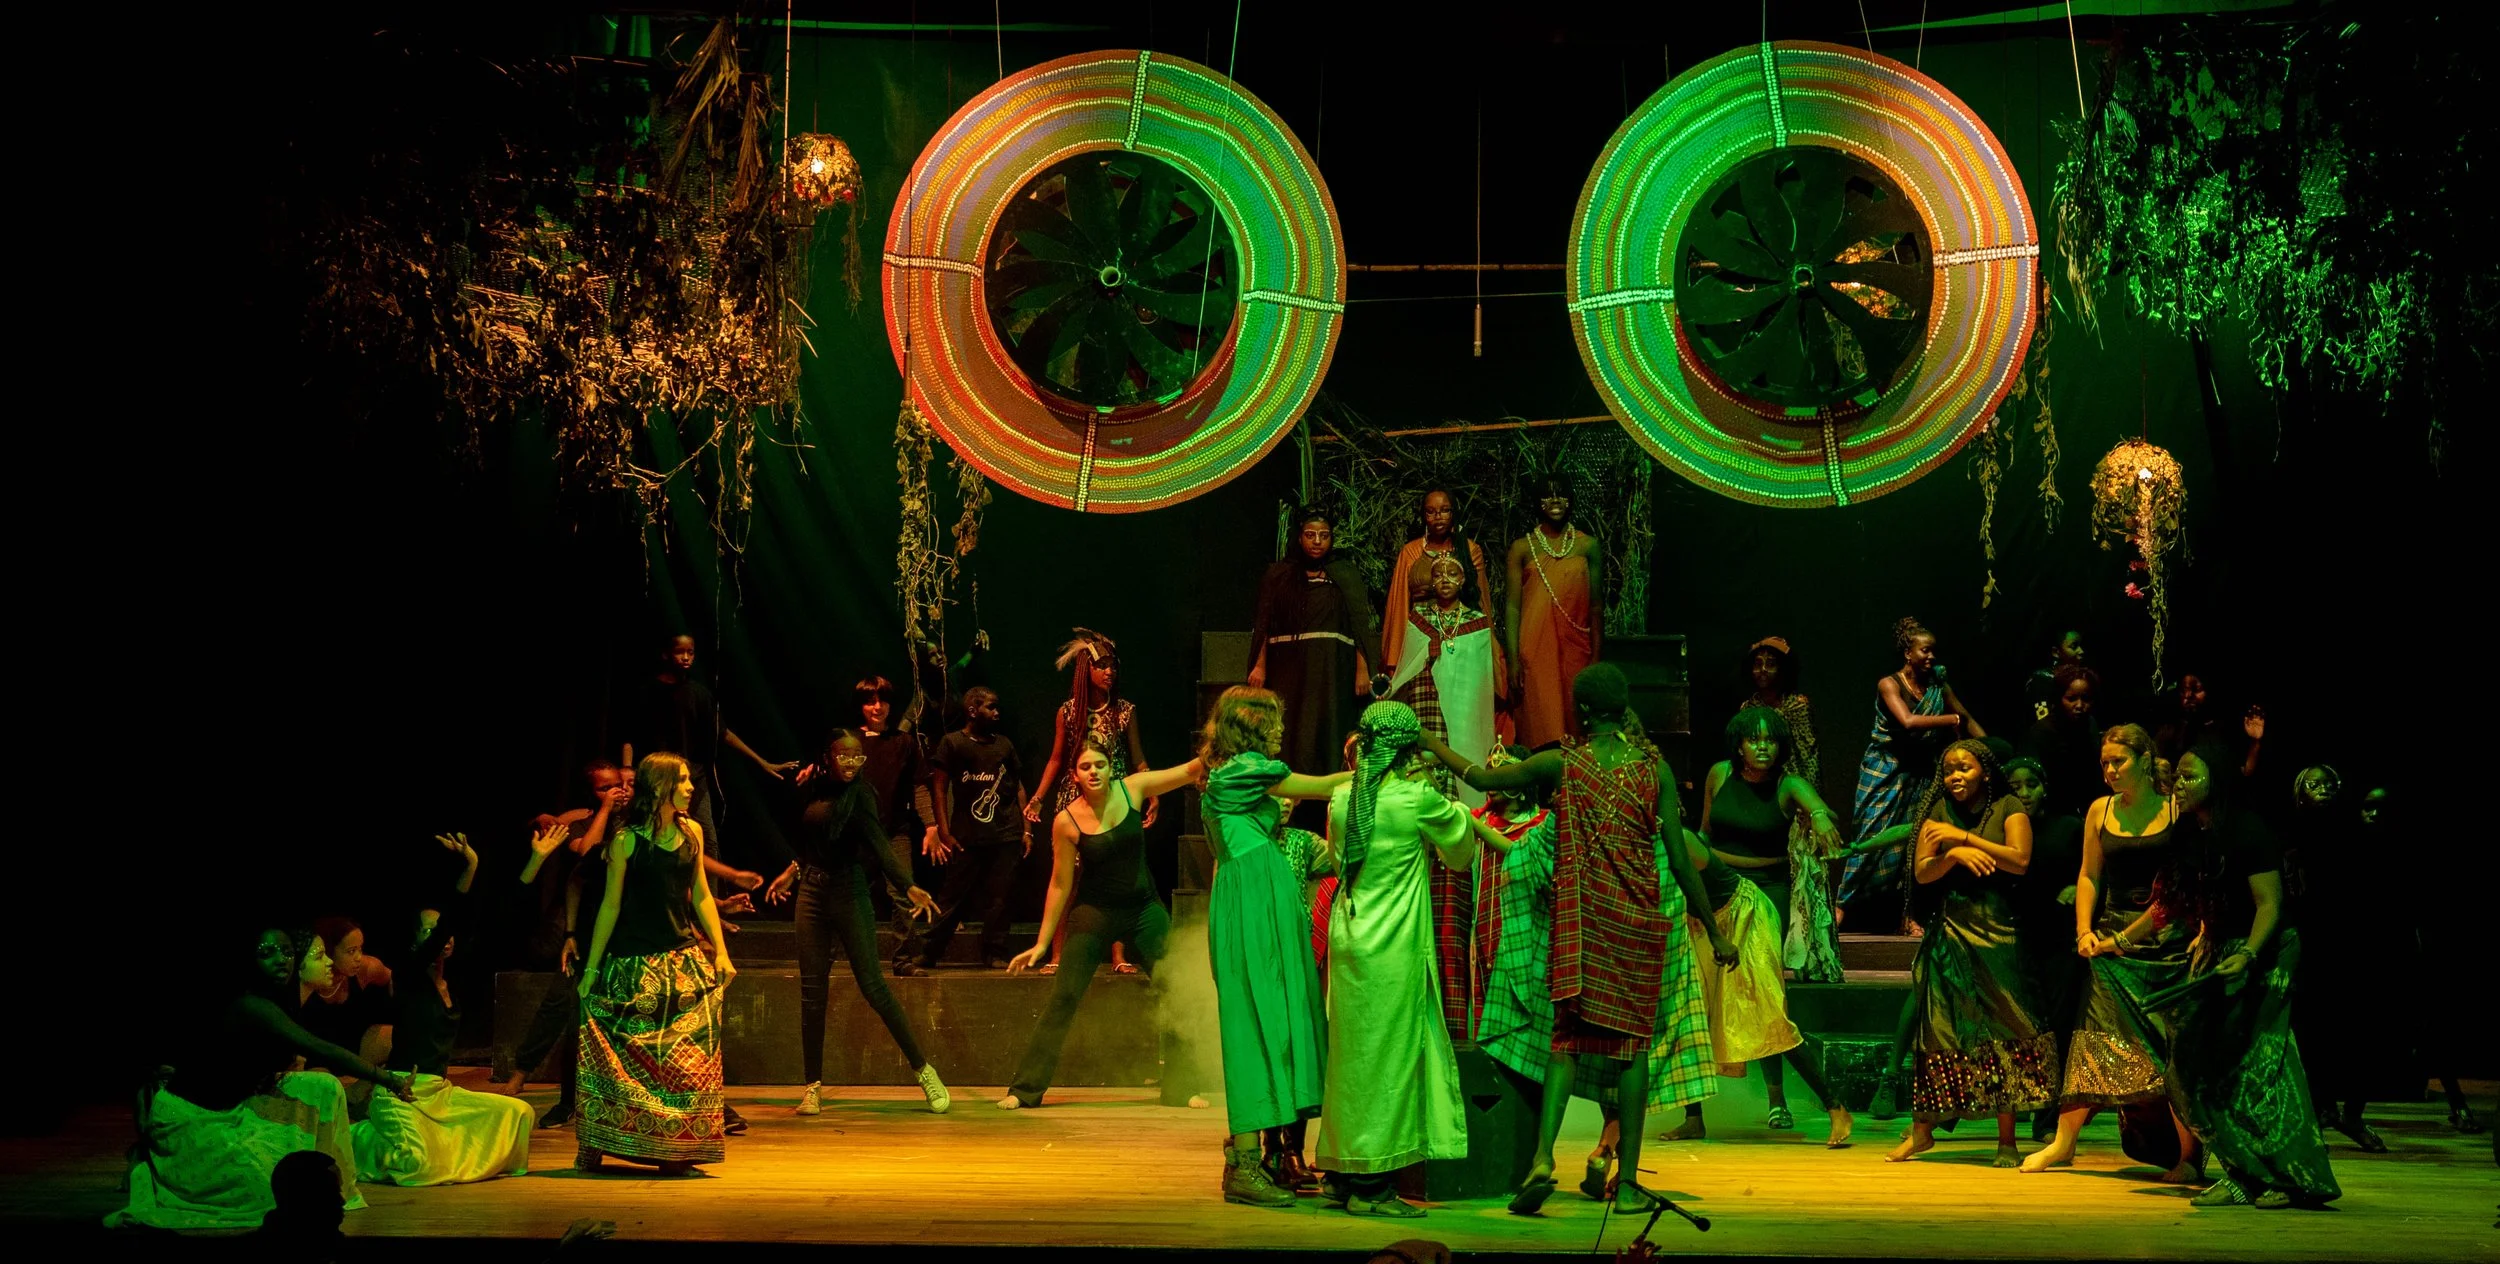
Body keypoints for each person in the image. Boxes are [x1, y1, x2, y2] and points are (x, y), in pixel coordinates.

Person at [1420, 663, 1732, 1218]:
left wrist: (1424, 738)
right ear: (1626, 705)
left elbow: (1482, 778)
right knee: (1631, 1050)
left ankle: (1542, 1159)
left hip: (1581, 922)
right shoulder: (1653, 771)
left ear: (1583, 712)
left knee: (1564, 1042)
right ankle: (1630, 1182)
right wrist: (1714, 931)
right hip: (1636, 925)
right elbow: (1682, 861)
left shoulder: (1563, 764)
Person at [109, 926, 412, 1230]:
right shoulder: (251, 1005)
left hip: (237, 1107)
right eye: (267, 953)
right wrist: (388, 1079)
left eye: (287, 952)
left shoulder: (283, 1002)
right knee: (265, 1193)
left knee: (323, 1086)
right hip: (195, 1118)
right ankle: (154, 1164)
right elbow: (319, 1048)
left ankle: (335, 1185)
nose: (281, 959)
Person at [1309, 701, 1481, 1218]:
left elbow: (1340, 860)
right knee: (1389, 1062)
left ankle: (1341, 1173)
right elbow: (1461, 851)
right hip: (1393, 945)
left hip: (1351, 935)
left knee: (1351, 1059)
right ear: (1407, 751)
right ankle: (1374, 1186)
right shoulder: (1415, 799)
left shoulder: (1342, 798)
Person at [2155, 740, 2340, 1210]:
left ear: (2216, 781)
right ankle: (2243, 1172)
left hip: (2266, 951)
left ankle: (2292, 1177)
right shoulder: (2192, 831)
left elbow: (2270, 905)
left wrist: (2251, 955)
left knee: (2259, 1067)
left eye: (2190, 776)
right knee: (2192, 1059)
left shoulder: (2248, 828)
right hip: (2223, 948)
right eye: (2177, 774)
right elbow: (2181, 901)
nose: (2179, 783)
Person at [1198, 686, 1353, 1208]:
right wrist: (1371, 772)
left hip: (1260, 900)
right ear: (1253, 728)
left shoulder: (1230, 774)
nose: (1281, 733)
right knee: (1252, 1025)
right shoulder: (1244, 770)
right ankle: (1245, 1165)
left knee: (1272, 1024)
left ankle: (1262, 1155)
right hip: (1252, 904)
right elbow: (1320, 785)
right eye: (1273, 725)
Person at [2020, 724, 2197, 1178]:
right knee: (2094, 1043)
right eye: (2105, 763)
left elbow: (2182, 889)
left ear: (2143, 759)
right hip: (2111, 941)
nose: (2111, 770)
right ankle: (2063, 1144)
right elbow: (2088, 876)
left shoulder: (2177, 810)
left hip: (2166, 943)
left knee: (2170, 1051)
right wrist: (2083, 930)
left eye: (2119, 761)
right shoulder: (2101, 811)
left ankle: (2188, 1158)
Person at [997, 741, 1205, 1108]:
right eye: (1085, 767)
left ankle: (1182, 1088)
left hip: (1143, 910)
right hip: (1094, 914)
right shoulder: (1066, 820)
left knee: (1175, 989)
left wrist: (1224, 739)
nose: (1093, 771)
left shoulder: (1134, 789)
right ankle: (1024, 1090)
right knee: (1064, 998)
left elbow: (1189, 771)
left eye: (1100, 765)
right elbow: (1060, 884)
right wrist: (1043, 944)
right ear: (1075, 775)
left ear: (1112, 769)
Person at [1678, 705, 1849, 1139]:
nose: (1762, 747)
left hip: (1763, 893)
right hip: (1713, 887)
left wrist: (1823, 816)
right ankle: (1693, 1117)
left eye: (1770, 739)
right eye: (1754, 739)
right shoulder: (1718, 775)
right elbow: (1703, 835)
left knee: (1766, 999)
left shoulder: (1788, 785)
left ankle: (1806, 1102)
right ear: (1738, 744)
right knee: (1696, 997)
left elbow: (1815, 806)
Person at [1886, 740, 2059, 1168]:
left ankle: (2007, 1140)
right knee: (1938, 1030)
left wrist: (1964, 838)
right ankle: (1923, 1130)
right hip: (1952, 928)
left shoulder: (2008, 807)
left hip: (1998, 932)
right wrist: (1953, 855)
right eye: (1948, 771)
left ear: (1984, 770)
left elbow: (2019, 861)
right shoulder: (1937, 813)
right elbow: (1923, 873)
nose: (1955, 776)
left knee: (2006, 1028)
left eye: (1963, 768)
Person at [762, 729, 948, 1117]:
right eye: (843, 756)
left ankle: (925, 1071)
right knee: (812, 994)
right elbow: (810, 839)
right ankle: (812, 1086)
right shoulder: (812, 787)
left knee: (875, 988)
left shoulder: (860, 796)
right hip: (811, 895)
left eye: (857, 757)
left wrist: (909, 886)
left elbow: (881, 846)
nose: (851, 763)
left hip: (849, 893)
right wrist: (794, 870)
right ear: (828, 757)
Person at [574, 752, 734, 1174]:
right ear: (661, 786)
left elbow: (699, 894)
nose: (689, 787)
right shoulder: (627, 840)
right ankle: (597, 1141)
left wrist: (720, 950)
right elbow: (609, 906)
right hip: (632, 964)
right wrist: (591, 969)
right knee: (612, 1054)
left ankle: (676, 1147)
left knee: (687, 1062)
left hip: (680, 962)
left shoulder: (692, 832)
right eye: (682, 780)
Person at [355, 846, 537, 1187]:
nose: (440, 937)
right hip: (402, 1092)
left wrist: (536, 860)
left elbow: (501, 919)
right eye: (427, 931)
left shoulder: (457, 978)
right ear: (413, 943)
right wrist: (471, 868)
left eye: (441, 930)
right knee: (417, 1166)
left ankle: (441, 1145)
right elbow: (451, 921)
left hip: (440, 1093)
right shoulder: (408, 976)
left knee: (518, 1113)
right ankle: (357, 1138)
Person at [1385, 552, 1508, 1034]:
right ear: (1426, 580)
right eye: (1437, 574)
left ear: (1466, 580)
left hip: (1464, 718)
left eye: (1454, 573)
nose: (1446, 580)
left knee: (1466, 744)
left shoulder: (1477, 624)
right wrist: (1429, 658)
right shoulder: (1420, 621)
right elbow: (1408, 673)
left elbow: (1479, 689)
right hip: (1432, 710)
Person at [493, 765, 629, 1121]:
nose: (616, 792)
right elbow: (583, 857)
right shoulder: (587, 821)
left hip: (627, 930)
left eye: (621, 785)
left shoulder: (638, 823)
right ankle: (532, 1079)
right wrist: (570, 934)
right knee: (563, 1003)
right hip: (586, 928)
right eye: (606, 788)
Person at [1840, 616, 1983, 931]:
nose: (1931, 657)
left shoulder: (1937, 687)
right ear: (1908, 653)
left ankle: (1907, 915)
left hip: (1918, 772)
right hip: (1884, 768)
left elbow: (1965, 716)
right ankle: (1841, 908)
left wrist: (1989, 751)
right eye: (1924, 651)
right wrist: (1949, 721)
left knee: (1911, 842)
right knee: (1869, 838)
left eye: (1933, 652)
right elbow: (1907, 721)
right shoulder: (1889, 684)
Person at [1024, 631, 1154, 975]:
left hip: (1116, 800)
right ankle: (1056, 953)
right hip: (1076, 800)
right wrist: (1037, 798)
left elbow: (1138, 759)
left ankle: (1118, 954)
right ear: (1087, 671)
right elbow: (1055, 759)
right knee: (1067, 876)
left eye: (1113, 666)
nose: (1109, 672)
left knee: (1118, 876)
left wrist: (1152, 792)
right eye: (1102, 666)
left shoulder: (1125, 712)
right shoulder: (1068, 713)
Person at [622, 634, 801, 871]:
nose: (686, 658)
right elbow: (629, 736)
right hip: (657, 779)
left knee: (707, 839)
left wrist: (762, 762)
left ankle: (714, 902)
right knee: (654, 835)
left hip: (692, 777)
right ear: (666, 654)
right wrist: (626, 769)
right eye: (680, 652)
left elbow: (723, 732)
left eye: (691, 652)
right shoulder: (646, 692)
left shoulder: (699, 693)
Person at [1248, 507, 1382, 780]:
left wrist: (1362, 668)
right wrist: (1259, 666)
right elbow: (1264, 623)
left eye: (1324, 535)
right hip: (1289, 671)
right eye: (1310, 535)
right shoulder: (1279, 576)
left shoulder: (1344, 575)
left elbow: (1358, 625)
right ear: (1299, 538)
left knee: (1329, 734)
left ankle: (1329, 802)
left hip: (1332, 673)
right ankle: (1289, 800)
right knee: (1292, 735)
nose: (1317, 541)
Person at [1739, 636, 1842, 983]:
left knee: (1803, 874)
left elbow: (1809, 755)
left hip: (1792, 796)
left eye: (1770, 663)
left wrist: (1807, 805)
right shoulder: (1748, 708)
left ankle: (1811, 958)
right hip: (1759, 799)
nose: (1763, 670)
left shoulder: (1796, 706)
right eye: (1757, 663)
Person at [2005, 756, 2085, 1142]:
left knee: (2059, 1022)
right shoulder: (2005, 832)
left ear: (2045, 787)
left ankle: (2052, 1114)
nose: (2023, 794)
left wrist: (2075, 888)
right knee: (2028, 1023)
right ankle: (2034, 1101)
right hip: (2022, 936)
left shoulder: (2068, 828)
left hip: (2061, 940)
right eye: (2014, 787)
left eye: (2030, 785)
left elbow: (2091, 872)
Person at [920, 687, 1027, 970]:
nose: (996, 713)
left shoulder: (1004, 744)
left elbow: (1017, 787)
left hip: (1005, 833)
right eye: (991, 707)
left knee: (1000, 899)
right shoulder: (953, 743)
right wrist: (943, 830)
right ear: (972, 711)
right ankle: (929, 951)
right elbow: (939, 788)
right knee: (952, 897)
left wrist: (1026, 828)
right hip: (966, 835)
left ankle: (994, 952)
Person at [854, 675, 944, 977]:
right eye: (870, 701)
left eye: (882, 701)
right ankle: (851, 959)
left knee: (904, 894)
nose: (877, 707)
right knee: (851, 896)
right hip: (858, 833)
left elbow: (920, 786)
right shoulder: (850, 741)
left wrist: (931, 825)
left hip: (895, 831)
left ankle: (903, 960)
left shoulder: (904, 743)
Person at [1505, 475, 1602, 750]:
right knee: (1541, 726)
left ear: (1571, 500)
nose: (1555, 501)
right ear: (1537, 503)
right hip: (1535, 650)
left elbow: (1596, 607)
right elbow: (1512, 607)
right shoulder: (1522, 548)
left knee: (1578, 725)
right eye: (1547, 495)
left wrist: (1596, 656)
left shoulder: (1588, 546)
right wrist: (1513, 660)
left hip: (1577, 647)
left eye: (1561, 494)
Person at [1382, 489, 1499, 695]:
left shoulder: (1469, 550)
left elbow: (1481, 603)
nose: (1438, 517)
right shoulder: (1411, 552)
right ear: (1423, 516)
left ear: (1453, 513)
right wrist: (1395, 659)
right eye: (1431, 512)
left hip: (1461, 635)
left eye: (1445, 510)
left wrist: (1489, 649)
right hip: (1421, 635)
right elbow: (1399, 605)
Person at [2021, 664, 2105, 821]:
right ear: (2058, 699)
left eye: (2086, 699)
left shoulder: (2090, 724)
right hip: (2055, 814)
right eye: (2071, 699)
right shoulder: (2042, 732)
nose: (2079, 705)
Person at [2023, 629, 2089, 718]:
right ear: (2056, 652)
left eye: (2080, 646)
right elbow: (2042, 719)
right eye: (2074, 646)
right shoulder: (2042, 679)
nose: (2081, 651)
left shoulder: (2079, 679)